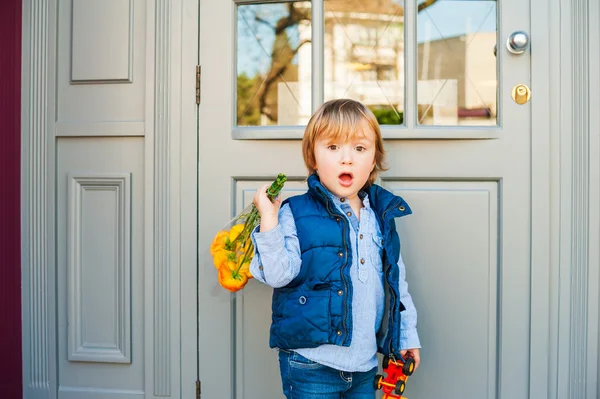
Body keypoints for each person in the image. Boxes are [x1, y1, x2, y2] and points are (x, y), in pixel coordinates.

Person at [250, 99, 421, 399]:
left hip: (365, 366)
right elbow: (277, 275)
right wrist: (269, 218)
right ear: (313, 158)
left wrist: (406, 335)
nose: (347, 159)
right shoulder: (293, 213)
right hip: (309, 365)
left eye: (359, 148)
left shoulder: (380, 215)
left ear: (374, 160)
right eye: (333, 148)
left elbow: (397, 283)